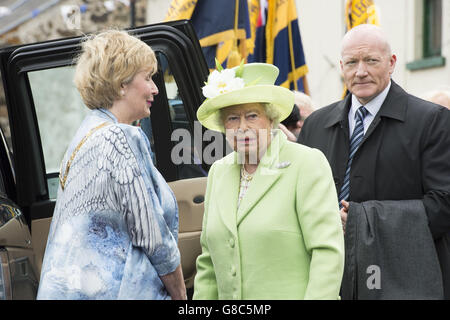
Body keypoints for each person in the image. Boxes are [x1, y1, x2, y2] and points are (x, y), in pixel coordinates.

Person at [298, 24, 450, 299]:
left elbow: (444, 205)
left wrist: (359, 220)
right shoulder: (316, 124)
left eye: (371, 60)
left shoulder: (433, 121)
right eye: (351, 62)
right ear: (341, 66)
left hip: (400, 277)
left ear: (391, 63)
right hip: (328, 274)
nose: (361, 72)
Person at [37, 30, 186, 300]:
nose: (155, 88)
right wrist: (181, 296)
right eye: (148, 77)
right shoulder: (119, 137)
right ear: (121, 84)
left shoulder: (86, 134)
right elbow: (153, 237)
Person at [193, 62, 344, 300]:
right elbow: (209, 261)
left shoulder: (306, 164)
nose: (242, 127)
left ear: (271, 120)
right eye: (232, 119)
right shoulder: (218, 172)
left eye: (252, 116)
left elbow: (327, 253)